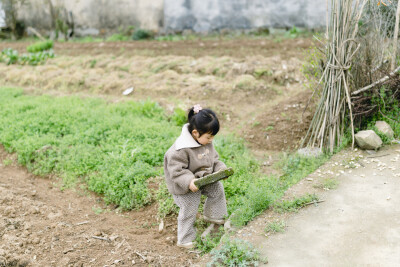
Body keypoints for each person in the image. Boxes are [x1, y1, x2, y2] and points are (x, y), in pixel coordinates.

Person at [163, 104, 228, 249]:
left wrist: (220, 169)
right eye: (209, 137)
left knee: (217, 188)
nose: (211, 140)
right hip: (185, 186)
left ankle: (216, 218)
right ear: (195, 133)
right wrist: (189, 181)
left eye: (213, 136)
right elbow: (176, 171)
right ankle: (185, 239)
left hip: (202, 179)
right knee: (189, 208)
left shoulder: (205, 142)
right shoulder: (180, 149)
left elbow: (214, 159)